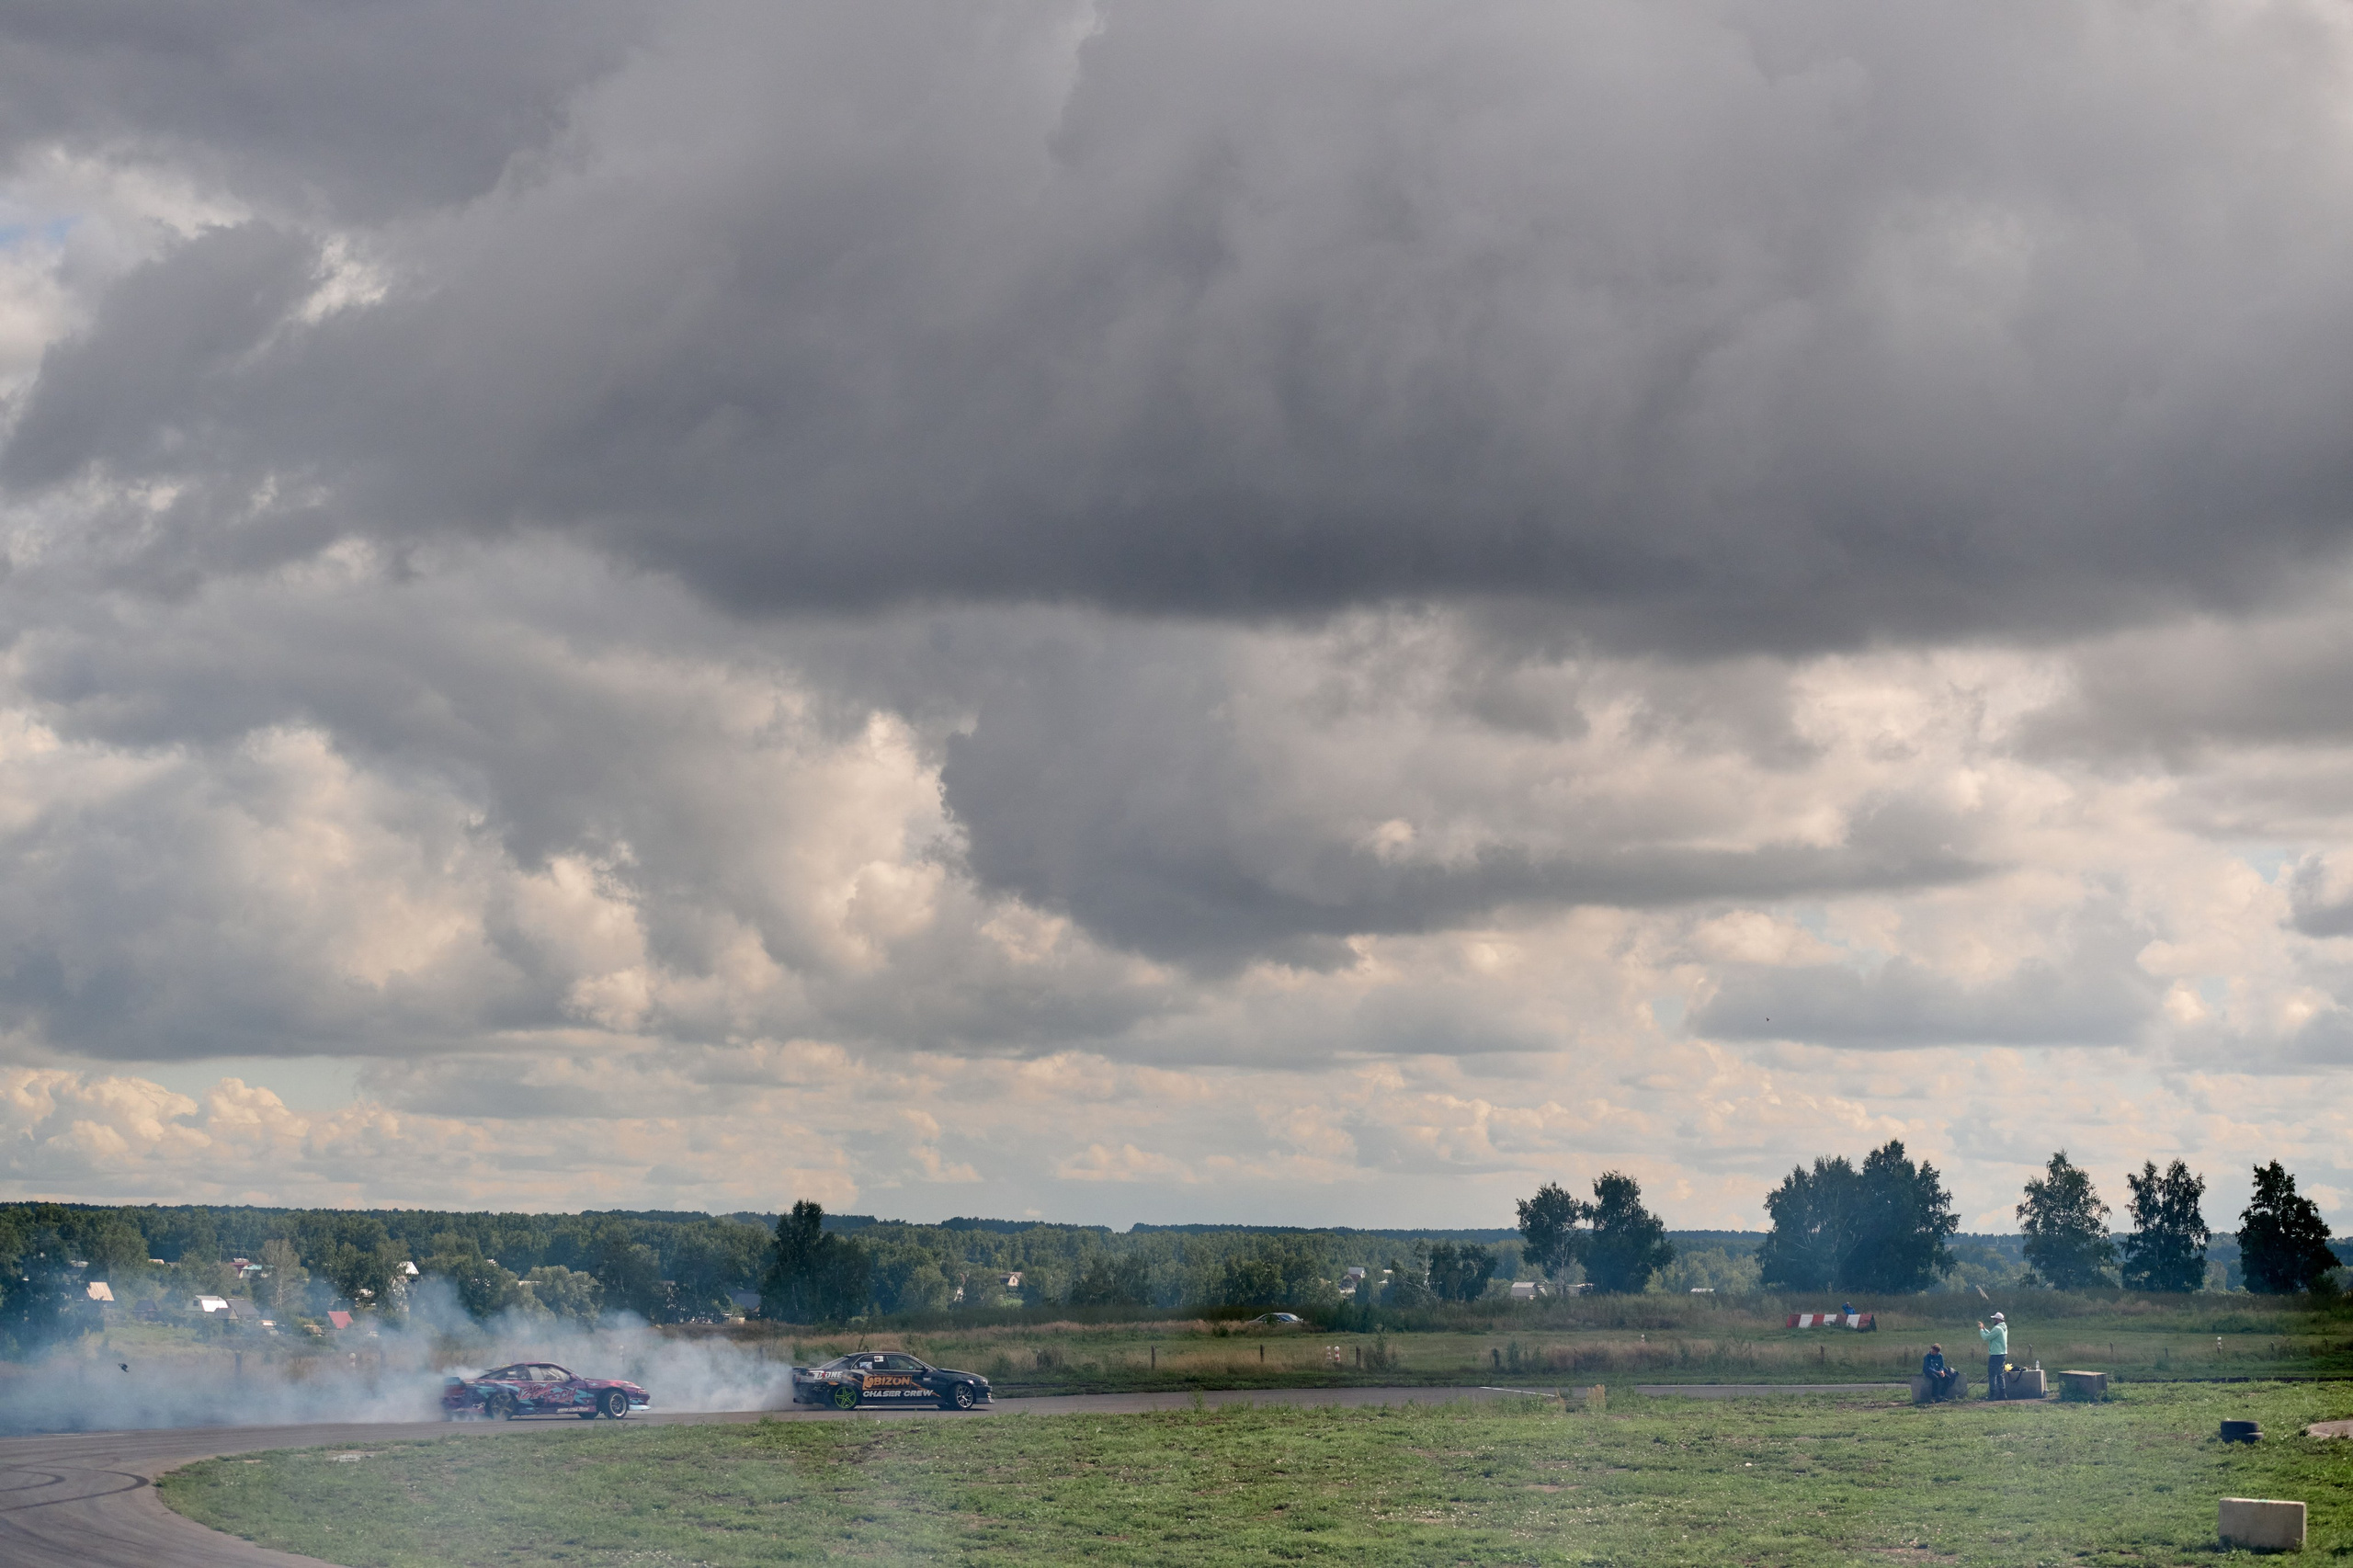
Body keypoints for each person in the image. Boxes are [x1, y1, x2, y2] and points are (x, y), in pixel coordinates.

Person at [1978, 1312, 2008, 1400]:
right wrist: (1984, 1328)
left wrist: (1981, 1329)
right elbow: (1991, 1334)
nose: (1994, 1320)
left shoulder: (1997, 1328)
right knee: (2000, 1374)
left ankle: (1993, 1395)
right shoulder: (2003, 1328)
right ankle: (2003, 1394)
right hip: (2003, 1354)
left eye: (1995, 1319)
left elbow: (1986, 1337)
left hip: (1996, 1354)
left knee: (1992, 1375)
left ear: (1999, 1320)